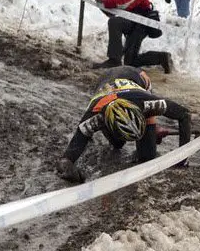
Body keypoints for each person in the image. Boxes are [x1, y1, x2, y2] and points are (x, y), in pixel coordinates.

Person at [56, 66, 191, 183]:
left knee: (147, 156)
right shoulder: (95, 116)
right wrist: (69, 169)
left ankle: (150, 127)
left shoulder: (148, 103)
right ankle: (144, 132)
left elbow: (185, 114)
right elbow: (67, 158)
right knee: (118, 143)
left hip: (137, 77)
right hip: (105, 82)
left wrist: (182, 159)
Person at [89, 0, 172, 74]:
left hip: (142, 23)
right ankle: (115, 59)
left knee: (130, 60)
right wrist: (98, 0)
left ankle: (161, 57)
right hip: (131, 22)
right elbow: (112, 13)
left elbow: (122, 3)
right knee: (115, 23)